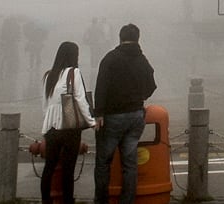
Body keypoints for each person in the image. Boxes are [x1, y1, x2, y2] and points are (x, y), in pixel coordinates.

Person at [93, 23, 157, 204]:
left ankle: (101, 201)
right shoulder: (143, 60)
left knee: (103, 162)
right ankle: (127, 201)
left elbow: (101, 88)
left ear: (120, 38)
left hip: (112, 118)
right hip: (136, 115)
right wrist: (140, 97)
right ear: (138, 38)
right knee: (130, 164)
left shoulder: (110, 59)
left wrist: (99, 113)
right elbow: (151, 85)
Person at [41, 40, 94, 204]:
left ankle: (46, 201)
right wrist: (91, 121)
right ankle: (67, 201)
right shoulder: (74, 72)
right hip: (69, 124)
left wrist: (48, 121)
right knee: (68, 169)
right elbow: (79, 99)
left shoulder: (49, 75)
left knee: (49, 167)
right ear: (73, 56)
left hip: (50, 126)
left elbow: (45, 103)